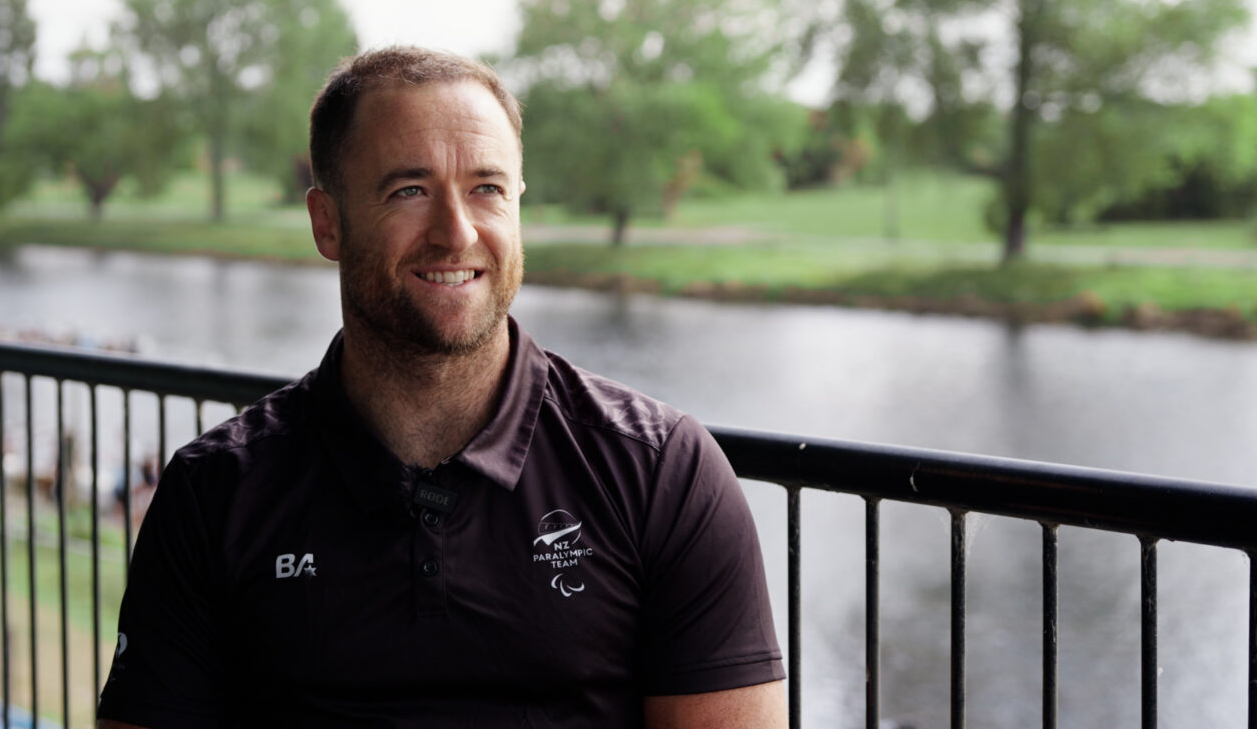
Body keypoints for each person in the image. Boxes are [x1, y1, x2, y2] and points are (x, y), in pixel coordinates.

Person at [97, 46, 786, 728]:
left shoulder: (662, 473)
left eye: (487, 188)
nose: (457, 233)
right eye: (410, 191)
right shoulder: (215, 492)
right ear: (327, 222)